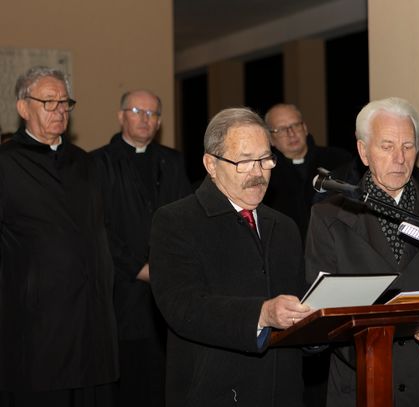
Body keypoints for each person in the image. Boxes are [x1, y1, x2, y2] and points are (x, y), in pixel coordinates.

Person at [305, 97, 419, 407]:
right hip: (358, 386)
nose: (399, 158)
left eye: (408, 146)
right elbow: (320, 314)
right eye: (387, 146)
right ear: (364, 152)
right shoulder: (329, 216)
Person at [149, 107, 312, 407]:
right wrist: (261, 314)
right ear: (211, 164)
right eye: (244, 161)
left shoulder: (285, 226)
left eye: (265, 159)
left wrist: (317, 328)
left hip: (283, 392)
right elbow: (183, 307)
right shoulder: (176, 221)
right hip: (215, 392)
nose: (258, 173)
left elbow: (297, 304)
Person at [0, 66, 118, 406]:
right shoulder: (6, 163)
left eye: (65, 102)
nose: (59, 110)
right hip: (38, 327)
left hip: (92, 324)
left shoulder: (85, 163)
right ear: (23, 108)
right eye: (48, 102)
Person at [92, 90, 191, 407]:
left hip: (168, 291)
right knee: (129, 382)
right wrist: (138, 267)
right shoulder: (98, 163)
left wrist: (167, 266)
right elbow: (98, 228)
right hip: (122, 292)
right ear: (121, 116)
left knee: (164, 381)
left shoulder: (172, 161)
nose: (145, 119)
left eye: (152, 113)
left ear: (160, 122)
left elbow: (185, 218)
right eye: (137, 111)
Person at [263, 103, 351, 240]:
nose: (291, 133)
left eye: (295, 125)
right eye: (281, 129)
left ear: (304, 128)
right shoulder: (266, 173)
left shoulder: (339, 160)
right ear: (270, 139)